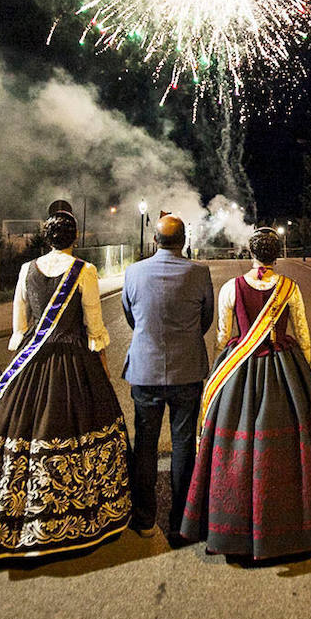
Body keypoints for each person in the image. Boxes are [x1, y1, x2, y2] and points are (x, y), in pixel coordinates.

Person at [0, 211, 131, 559]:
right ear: (75, 237)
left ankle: (15, 512)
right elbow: (94, 326)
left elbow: (19, 326)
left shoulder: (26, 270)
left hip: (32, 361)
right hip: (73, 358)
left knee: (21, 430)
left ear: (46, 236)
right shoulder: (85, 271)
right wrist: (102, 365)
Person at [181, 227, 311, 558]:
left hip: (241, 367)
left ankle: (232, 524)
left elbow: (224, 335)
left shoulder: (231, 288)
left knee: (233, 443)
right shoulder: (290, 288)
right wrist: (307, 373)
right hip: (285, 368)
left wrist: (219, 369)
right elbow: (303, 333)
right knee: (291, 444)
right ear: (276, 254)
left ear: (250, 252)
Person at [120, 214, 216, 541]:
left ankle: (145, 518)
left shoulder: (133, 272)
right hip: (186, 369)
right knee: (184, 444)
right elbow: (206, 318)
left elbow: (131, 315)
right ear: (184, 241)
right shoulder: (199, 273)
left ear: (155, 240)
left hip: (145, 370)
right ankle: (180, 522)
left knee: (145, 443)